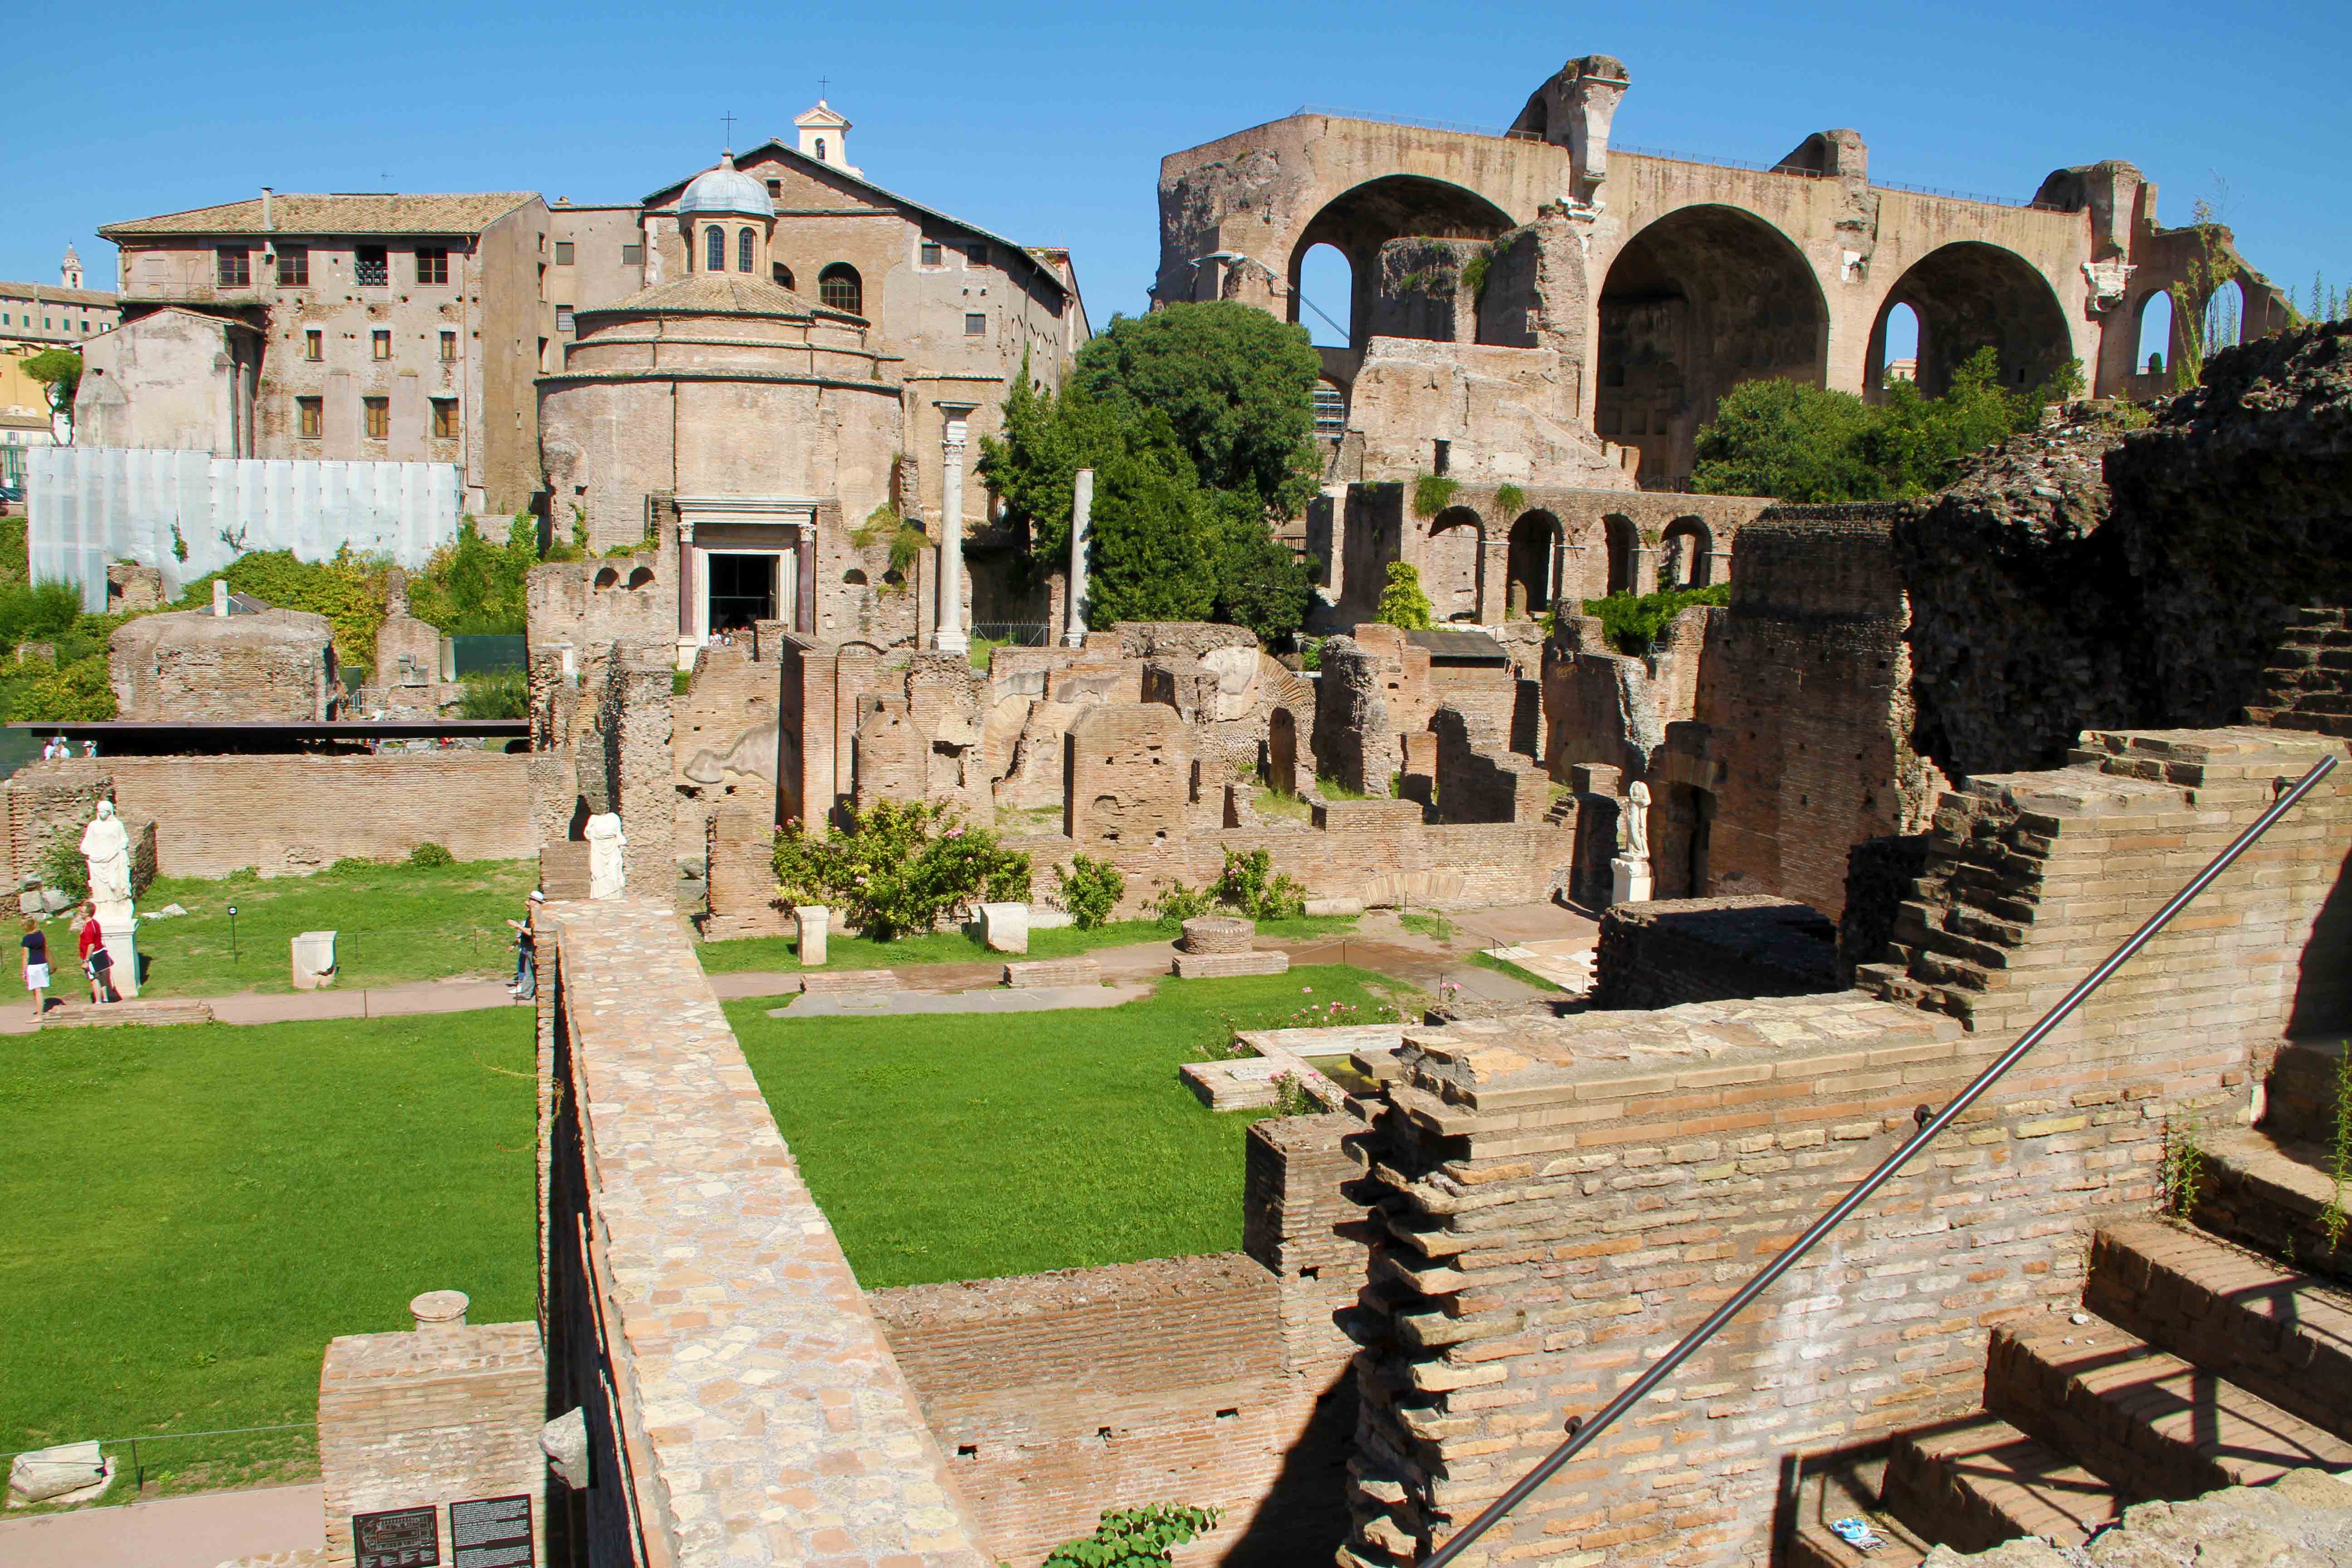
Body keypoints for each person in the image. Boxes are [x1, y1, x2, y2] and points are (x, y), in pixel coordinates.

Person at [507, 890, 545, 1000]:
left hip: (533, 947)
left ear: (535, 902)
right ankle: (526, 994)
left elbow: (532, 933)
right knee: (529, 971)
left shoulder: (538, 916)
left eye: (530, 900)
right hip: (528, 946)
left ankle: (533, 993)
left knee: (535, 970)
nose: (528, 903)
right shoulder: (532, 916)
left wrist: (518, 926)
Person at [77, 902, 117, 1004]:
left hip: (93, 956)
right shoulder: (95, 923)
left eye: (82, 912)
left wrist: (86, 961)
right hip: (100, 953)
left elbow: (91, 945)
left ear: (88, 914)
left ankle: (98, 1001)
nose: (80, 913)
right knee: (103, 978)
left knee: (94, 979)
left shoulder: (89, 928)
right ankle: (105, 999)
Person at [22, 916, 49, 1017]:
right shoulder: (40, 934)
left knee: (37, 991)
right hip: (43, 964)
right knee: (39, 990)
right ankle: (40, 1011)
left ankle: (39, 1015)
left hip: (34, 966)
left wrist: (24, 972)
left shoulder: (27, 939)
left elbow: (26, 957)